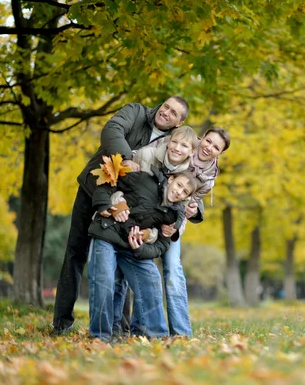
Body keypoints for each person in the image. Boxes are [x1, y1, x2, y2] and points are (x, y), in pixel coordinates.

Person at [52, 97, 198, 335]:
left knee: (124, 259)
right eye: (166, 107)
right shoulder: (136, 112)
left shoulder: (173, 143)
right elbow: (112, 129)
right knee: (76, 251)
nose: (166, 112)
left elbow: (190, 181)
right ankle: (62, 322)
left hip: (130, 205)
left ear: (179, 122)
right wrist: (126, 159)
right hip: (96, 186)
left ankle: (120, 326)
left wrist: (184, 217)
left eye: (174, 113)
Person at [129, 127, 231, 337]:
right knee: (145, 269)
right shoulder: (182, 147)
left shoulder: (209, 179)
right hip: (149, 210)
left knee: (173, 270)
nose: (209, 147)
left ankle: (181, 333)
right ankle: (139, 329)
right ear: (201, 138)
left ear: (220, 154)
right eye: (208, 141)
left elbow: (188, 207)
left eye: (216, 147)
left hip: (171, 221)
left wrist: (175, 228)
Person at [88, 170, 200, 341]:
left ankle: (158, 336)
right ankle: (100, 337)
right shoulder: (144, 180)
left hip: (132, 248)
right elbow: (109, 182)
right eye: (179, 185)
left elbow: (162, 244)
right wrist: (106, 204)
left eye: (185, 192)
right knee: (104, 280)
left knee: (152, 276)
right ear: (171, 179)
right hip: (107, 233)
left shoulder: (172, 215)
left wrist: (140, 248)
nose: (179, 191)